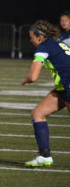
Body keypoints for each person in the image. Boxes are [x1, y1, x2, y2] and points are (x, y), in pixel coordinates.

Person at [22, 20, 70, 167]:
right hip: (63, 88)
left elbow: (33, 76)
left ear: (40, 37)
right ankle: (44, 156)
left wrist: (27, 80)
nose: (31, 40)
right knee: (38, 114)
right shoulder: (59, 43)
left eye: (32, 37)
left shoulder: (43, 47)